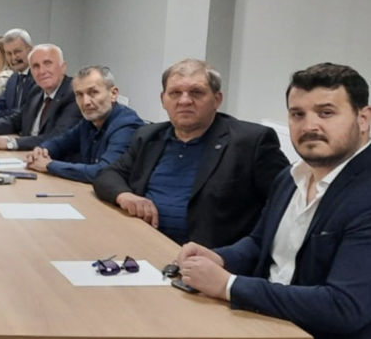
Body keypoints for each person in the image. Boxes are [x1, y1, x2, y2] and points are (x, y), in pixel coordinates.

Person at [177, 63, 371, 339]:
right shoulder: (290, 177)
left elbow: (344, 307)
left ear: (363, 119)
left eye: (326, 113)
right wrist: (220, 258)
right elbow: (260, 243)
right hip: (262, 325)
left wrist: (229, 285)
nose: (309, 126)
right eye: (298, 114)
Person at [93, 59, 289, 247]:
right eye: (175, 93)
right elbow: (107, 174)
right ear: (163, 100)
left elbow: (287, 202)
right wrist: (125, 195)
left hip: (209, 258)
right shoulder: (148, 137)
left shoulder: (250, 142)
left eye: (196, 92)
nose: (184, 100)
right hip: (145, 243)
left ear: (217, 100)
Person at [24, 66, 143, 183]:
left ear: (113, 94)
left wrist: (49, 165)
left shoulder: (126, 126)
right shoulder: (89, 122)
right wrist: (43, 150)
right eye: (79, 95)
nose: (85, 102)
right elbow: (60, 143)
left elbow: (105, 172)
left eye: (93, 92)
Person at [0, 43, 81, 151]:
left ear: (63, 67)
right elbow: (16, 120)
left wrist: (11, 143)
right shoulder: (37, 91)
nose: (42, 71)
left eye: (47, 63)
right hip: (26, 156)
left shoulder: (74, 94)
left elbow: (57, 137)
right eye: (36, 66)